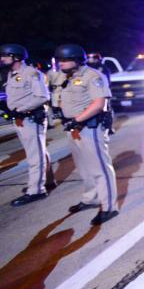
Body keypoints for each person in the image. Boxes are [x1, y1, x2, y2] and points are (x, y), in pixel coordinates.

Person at [52, 44, 119, 225]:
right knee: (83, 167)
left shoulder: (92, 76)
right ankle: (91, 198)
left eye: (65, 60)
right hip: (73, 127)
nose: (61, 63)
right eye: (60, 60)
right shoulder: (63, 76)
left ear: (77, 60)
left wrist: (79, 119)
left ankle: (109, 206)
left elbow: (99, 104)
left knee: (100, 168)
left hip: (89, 127)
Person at [1, 43, 54, 206]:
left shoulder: (31, 73)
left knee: (34, 155)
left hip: (30, 118)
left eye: (4, 56)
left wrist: (21, 110)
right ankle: (47, 180)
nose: (1, 59)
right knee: (39, 151)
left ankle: (36, 190)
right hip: (20, 119)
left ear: (15, 57)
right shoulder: (11, 74)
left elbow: (42, 96)